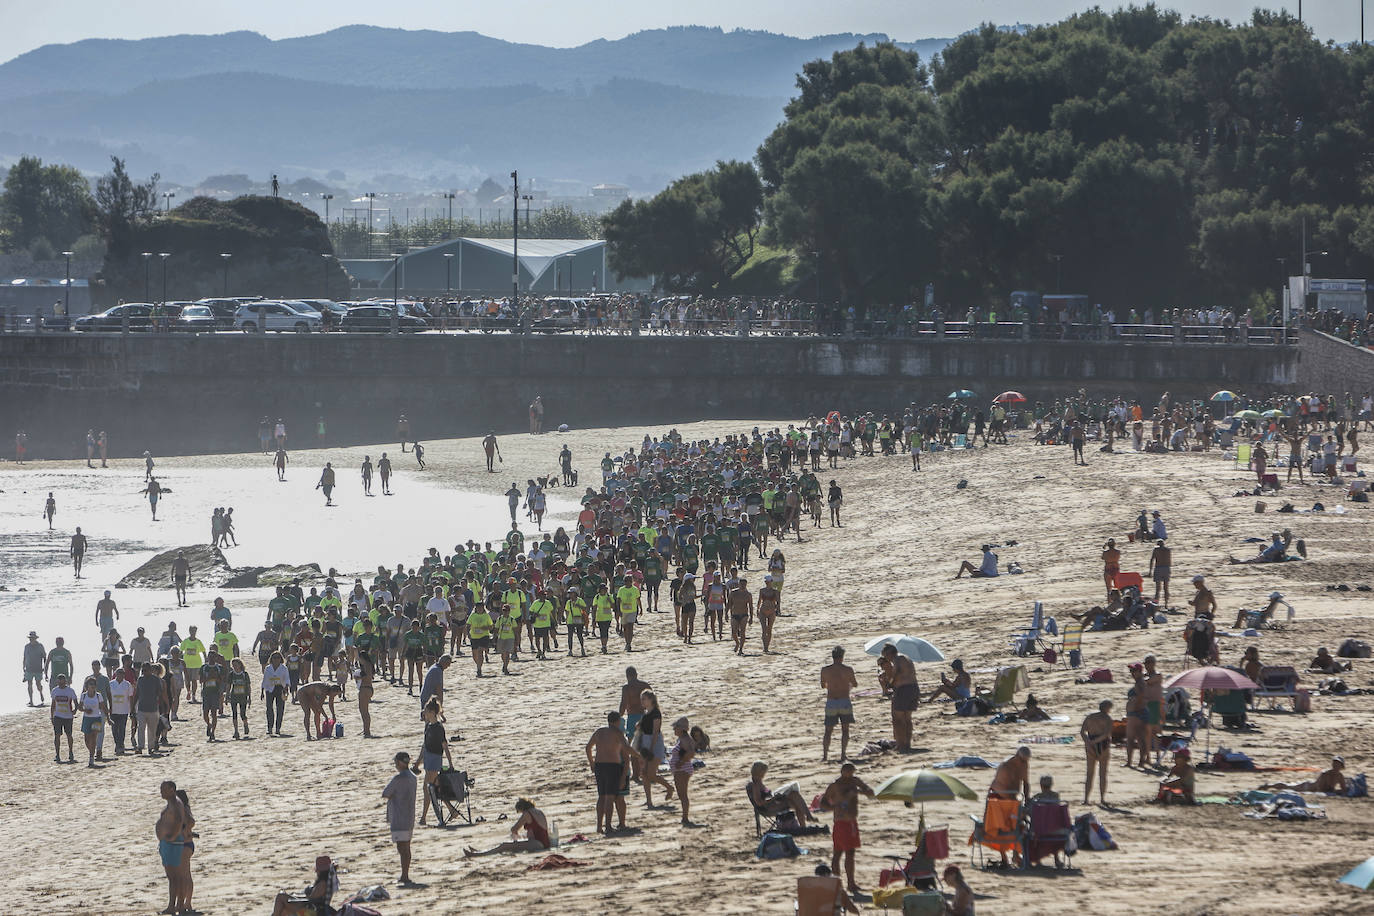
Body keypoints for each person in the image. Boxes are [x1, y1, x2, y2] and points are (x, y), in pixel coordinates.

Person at [820, 762, 874, 895]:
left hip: (852, 822)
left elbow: (870, 793)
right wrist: (835, 807)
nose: (850, 775)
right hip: (841, 822)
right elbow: (822, 803)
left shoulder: (855, 781)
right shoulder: (835, 785)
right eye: (848, 772)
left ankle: (851, 883)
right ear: (842, 772)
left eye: (852, 772)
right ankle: (838, 883)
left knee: (850, 853)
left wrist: (860, 791)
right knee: (840, 853)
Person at [586, 711, 633, 833]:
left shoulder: (600, 731)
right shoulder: (617, 733)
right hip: (612, 766)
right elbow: (626, 749)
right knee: (609, 797)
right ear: (617, 721)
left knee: (601, 796)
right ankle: (607, 826)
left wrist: (592, 763)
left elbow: (588, 747)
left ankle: (599, 826)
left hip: (599, 765)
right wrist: (639, 755)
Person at [464, 797, 552, 857]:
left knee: (504, 846)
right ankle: (479, 851)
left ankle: (479, 854)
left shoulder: (527, 813)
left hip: (537, 844)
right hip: (544, 842)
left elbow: (514, 829)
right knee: (506, 845)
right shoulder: (538, 811)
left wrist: (515, 836)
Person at [383, 751, 418, 883]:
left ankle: (405, 875)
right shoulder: (413, 777)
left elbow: (386, 793)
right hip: (409, 816)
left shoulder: (398, 779)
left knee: (402, 848)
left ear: (398, 763)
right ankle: (405, 874)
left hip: (399, 817)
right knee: (406, 847)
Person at [634, 690, 673, 807]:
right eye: (641, 699)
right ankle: (649, 800)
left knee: (651, 773)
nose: (642, 702)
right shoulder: (646, 713)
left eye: (644, 699)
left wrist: (651, 748)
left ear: (651, 699)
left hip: (655, 743)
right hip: (645, 741)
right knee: (644, 773)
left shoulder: (656, 713)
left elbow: (656, 732)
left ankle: (669, 787)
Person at [418, 703, 455, 825]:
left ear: (433, 712)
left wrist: (450, 763)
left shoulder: (438, 728)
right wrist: (418, 762)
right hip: (428, 759)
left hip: (435, 760)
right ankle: (451, 810)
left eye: (427, 711)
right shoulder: (428, 726)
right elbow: (425, 746)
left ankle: (424, 818)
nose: (425, 714)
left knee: (427, 788)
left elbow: (445, 746)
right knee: (436, 789)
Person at [156, 781, 188, 916]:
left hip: (173, 844)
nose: (161, 792)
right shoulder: (173, 802)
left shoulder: (175, 803)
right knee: (175, 877)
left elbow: (180, 821)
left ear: (172, 789)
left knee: (174, 877)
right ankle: (177, 905)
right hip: (170, 843)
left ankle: (173, 906)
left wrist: (172, 836)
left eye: (164, 789)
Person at [820, 646, 857, 762]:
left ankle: (825, 756)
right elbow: (855, 684)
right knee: (845, 729)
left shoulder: (825, 670)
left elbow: (823, 685)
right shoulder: (848, 669)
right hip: (844, 701)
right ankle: (843, 754)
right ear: (842, 657)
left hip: (831, 702)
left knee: (828, 730)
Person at [748, 760, 813, 826]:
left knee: (794, 795)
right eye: (763, 772)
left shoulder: (758, 781)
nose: (764, 774)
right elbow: (759, 802)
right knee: (795, 799)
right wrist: (773, 798)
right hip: (768, 808)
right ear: (759, 772)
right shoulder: (755, 784)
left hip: (772, 803)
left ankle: (807, 818)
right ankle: (806, 819)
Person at [883, 644, 919, 752]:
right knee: (907, 718)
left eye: (885, 656)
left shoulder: (898, 659)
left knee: (898, 719)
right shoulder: (906, 658)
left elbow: (896, 674)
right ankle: (907, 744)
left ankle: (900, 745)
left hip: (904, 689)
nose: (886, 659)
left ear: (890, 654)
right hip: (913, 688)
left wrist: (889, 683)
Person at [271, 856, 335, 916]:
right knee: (283, 908)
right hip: (315, 908)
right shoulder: (328, 881)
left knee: (281, 897)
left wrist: (297, 898)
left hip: (313, 911)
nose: (316, 871)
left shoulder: (322, 884)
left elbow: (311, 899)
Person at [1080, 700, 1114, 805]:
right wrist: (1095, 742)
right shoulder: (1108, 719)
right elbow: (1106, 734)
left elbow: (1082, 732)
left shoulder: (1090, 717)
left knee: (1090, 773)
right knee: (1103, 773)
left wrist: (1088, 742)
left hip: (1090, 745)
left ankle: (1086, 799)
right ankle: (1102, 799)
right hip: (1103, 745)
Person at [668, 716, 698, 826]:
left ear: (681, 729)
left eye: (675, 728)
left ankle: (685, 817)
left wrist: (681, 762)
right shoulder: (683, 739)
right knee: (682, 795)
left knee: (683, 795)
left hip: (682, 769)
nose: (674, 730)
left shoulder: (685, 739)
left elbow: (691, 753)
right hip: (681, 769)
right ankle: (684, 816)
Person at [1260, 756, 1347, 794]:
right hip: (1307, 787)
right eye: (1334, 763)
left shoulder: (1340, 776)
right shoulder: (1325, 774)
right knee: (1288, 787)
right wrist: (1333, 791)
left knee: (1288, 786)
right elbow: (1319, 788)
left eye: (1337, 764)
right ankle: (1269, 786)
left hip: (1312, 788)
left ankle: (1269, 786)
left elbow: (1344, 789)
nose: (1335, 765)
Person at [78, 675, 109, 767]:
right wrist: (85, 710)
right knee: (87, 740)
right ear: (87, 686)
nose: (92, 686)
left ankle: (91, 757)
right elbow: (79, 707)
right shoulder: (83, 696)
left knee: (94, 736)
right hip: (87, 718)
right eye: (90, 684)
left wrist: (108, 718)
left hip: (96, 718)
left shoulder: (98, 696)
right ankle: (92, 750)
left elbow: (103, 708)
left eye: (94, 684)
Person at [50, 673, 77, 763]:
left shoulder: (70, 691)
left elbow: (75, 702)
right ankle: (57, 754)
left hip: (68, 716)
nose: (61, 684)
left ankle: (71, 752)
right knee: (57, 735)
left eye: (63, 682)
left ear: (65, 681)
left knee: (69, 735)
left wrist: (75, 710)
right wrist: (52, 716)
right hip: (58, 716)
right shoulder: (55, 691)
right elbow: (53, 704)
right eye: (59, 682)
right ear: (57, 682)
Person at [23, 631, 47, 706]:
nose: (31, 639)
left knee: (38, 684)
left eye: (32, 638)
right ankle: (31, 700)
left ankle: (41, 693)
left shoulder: (40, 646)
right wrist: (23, 667)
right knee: (29, 684)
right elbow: (24, 657)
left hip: (38, 668)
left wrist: (45, 667)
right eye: (30, 638)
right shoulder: (27, 646)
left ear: (35, 638)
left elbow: (44, 657)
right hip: (29, 668)